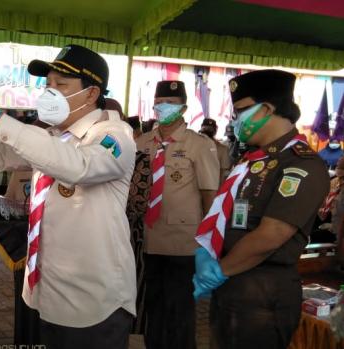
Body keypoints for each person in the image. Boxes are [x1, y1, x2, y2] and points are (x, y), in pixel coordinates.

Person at [0, 44, 137, 348]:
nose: (50, 92)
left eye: (61, 85)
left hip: (94, 304)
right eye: (47, 85)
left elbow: (79, 166)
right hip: (48, 294)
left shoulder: (114, 136)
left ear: (91, 93)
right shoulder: (52, 138)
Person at [194, 69, 329, 348]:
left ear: (267, 109)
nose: (234, 120)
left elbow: (273, 233)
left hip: (263, 291)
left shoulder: (300, 163)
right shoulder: (251, 159)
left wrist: (219, 271)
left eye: (241, 111)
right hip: (232, 283)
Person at [136, 80, 220, 349]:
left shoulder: (198, 144)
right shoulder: (143, 142)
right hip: (149, 238)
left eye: (171, 103)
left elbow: (210, 195)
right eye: (161, 102)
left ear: (183, 107)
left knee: (180, 309)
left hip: (184, 241)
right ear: (153, 106)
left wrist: (209, 243)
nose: (165, 107)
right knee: (153, 306)